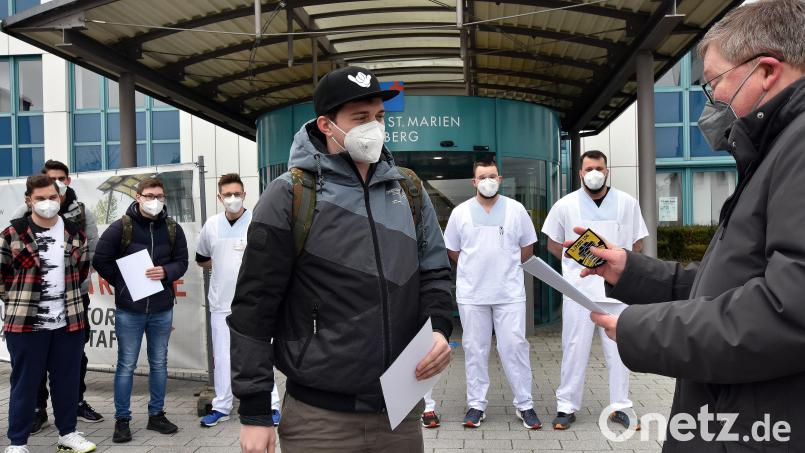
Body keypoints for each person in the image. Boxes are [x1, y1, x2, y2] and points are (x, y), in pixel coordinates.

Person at [579, 1, 805, 451]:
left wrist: (640, 330)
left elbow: (787, 312)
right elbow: (728, 285)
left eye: (714, 81)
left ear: (765, 71)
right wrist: (632, 272)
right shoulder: (775, 150)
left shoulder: (797, 147)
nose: (713, 100)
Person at [228, 65, 454, 453]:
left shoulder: (409, 189)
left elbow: (435, 272)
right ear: (327, 124)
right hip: (320, 420)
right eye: (361, 118)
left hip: (398, 414)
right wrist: (254, 412)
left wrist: (438, 330)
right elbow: (254, 305)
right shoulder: (290, 195)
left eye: (379, 117)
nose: (374, 127)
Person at [541, 150, 648, 431]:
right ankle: (566, 407)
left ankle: (621, 406)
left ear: (607, 171)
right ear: (580, 173)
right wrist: (574, 268)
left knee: (619, 348)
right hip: (578, 290)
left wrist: (619, 270)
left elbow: (637, 244)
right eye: (588, 168)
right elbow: (553, 243)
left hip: (616, 291)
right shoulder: (565, 205)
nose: (594, 173)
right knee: (574, 347)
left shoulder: (627, 202)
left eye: (599, 167)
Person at [442, 159, 542, 430]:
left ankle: (525, 405)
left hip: (508, 292)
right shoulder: (460, 213)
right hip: (472, 293)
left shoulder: (516, 210)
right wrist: (475, 269)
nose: (488, 181)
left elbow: (527, 247)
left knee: (514, 347)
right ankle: (476, 405)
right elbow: (453, 250)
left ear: (500, 179)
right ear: (474, 182)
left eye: (492, 176)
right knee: (475, 349)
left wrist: (504, 267)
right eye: (482, 177)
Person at [1, 175, 97, 453]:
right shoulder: (13, 234)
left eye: (52, 197)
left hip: (69, 321)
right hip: (25, 325)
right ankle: (17, 442)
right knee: (25, 384)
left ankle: (67, 434)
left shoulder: (75, 234)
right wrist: (19, 300)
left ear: (60, 198)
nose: (47, 203)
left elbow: (80, 272)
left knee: (66, 381)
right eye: (40, 198)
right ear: (28, 200)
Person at [92, 178, 188, 444]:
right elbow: (100, 259)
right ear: (138, 197)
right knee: (126, 365)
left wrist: (166, 272)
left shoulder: (172, 228)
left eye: (159, 195)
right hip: (129, 310)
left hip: (161, 308)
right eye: (149, 195)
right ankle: (122, 420)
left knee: (159, 363)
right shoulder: (120, 227)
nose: (154, 200)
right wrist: (124, 284)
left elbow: (182, 262)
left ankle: (156, 414)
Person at [195, 173, 281, 427]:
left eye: (237, 193)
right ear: (219, 197)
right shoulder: (211, 225)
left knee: (262, 356)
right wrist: (225, 266)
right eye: (227, 194)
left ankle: (271, 405)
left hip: (255, 304)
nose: (233, 199)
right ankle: (222, 406)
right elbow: (202, 259)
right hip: (222, 304)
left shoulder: (258, 221)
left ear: (244, 194)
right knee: (222, 358)